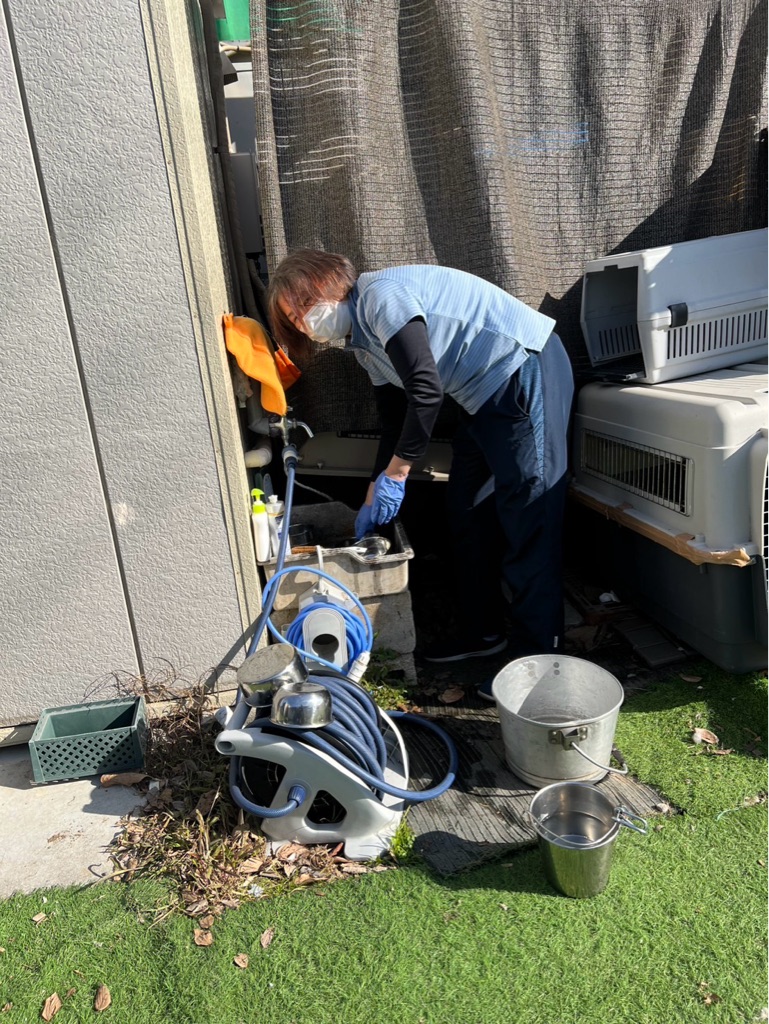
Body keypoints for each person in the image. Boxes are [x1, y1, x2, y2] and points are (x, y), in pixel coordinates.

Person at [267, 249, 574, 699]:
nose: (304, 323)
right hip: (480, 398)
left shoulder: (380, 297)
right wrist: (373, 490)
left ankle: (539, 664)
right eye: (294, 319)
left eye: (305, 306)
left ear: (331, 282)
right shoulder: (363, 344)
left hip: (523, 368)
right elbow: (394, 420)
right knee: (467, 513)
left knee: (530, 519)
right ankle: (484, 632)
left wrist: (397, 474)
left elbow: (426, 392)